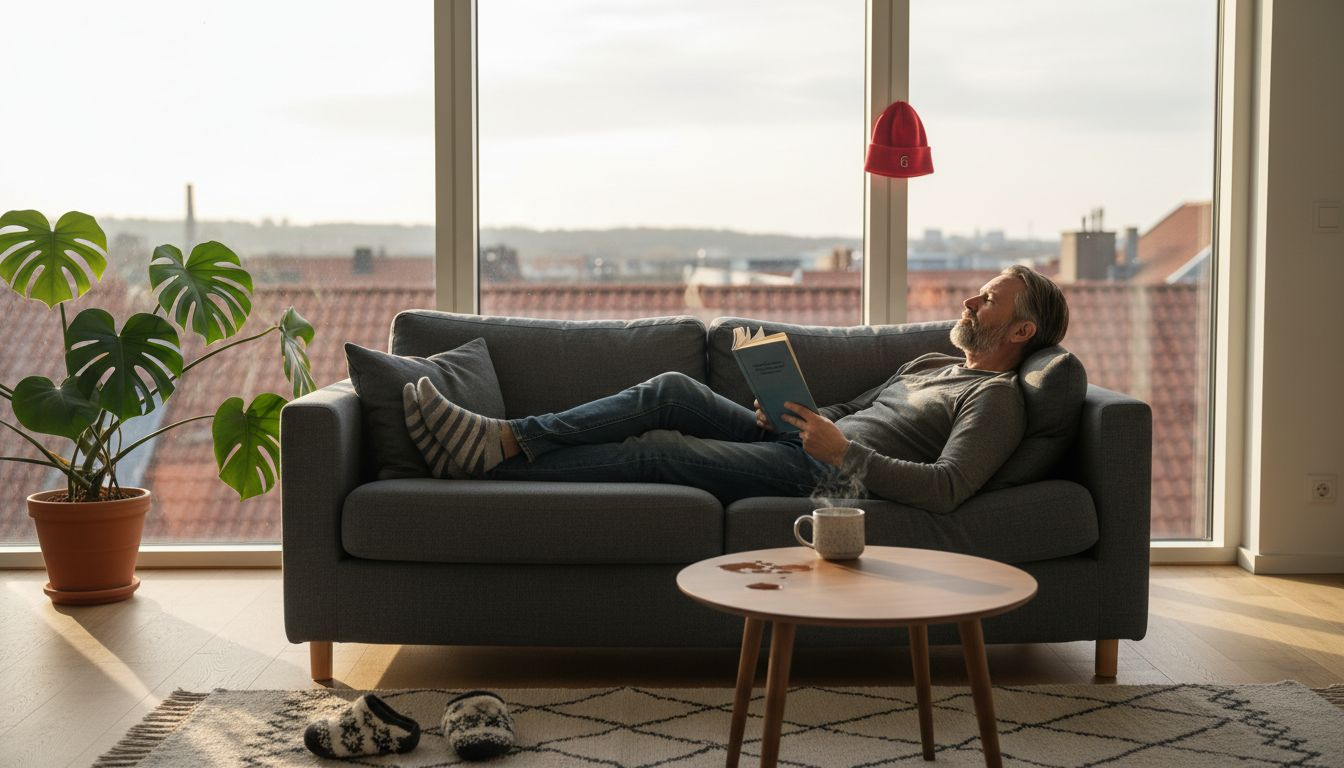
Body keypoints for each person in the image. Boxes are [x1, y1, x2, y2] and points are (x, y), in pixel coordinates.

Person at [403, 265, 1069, 513]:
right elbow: (855, 408)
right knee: (667, 388)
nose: (972, 299)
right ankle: (507, 439)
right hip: (806, 440)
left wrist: (841, 452)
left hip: (832, 477)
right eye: (979, 291)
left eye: (990, 299)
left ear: (1021, 330)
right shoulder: (930, 362)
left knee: (658, 450)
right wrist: (797, 411)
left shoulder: (997, 398)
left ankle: (490, 457)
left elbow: (948, 488)